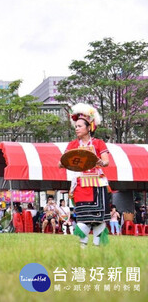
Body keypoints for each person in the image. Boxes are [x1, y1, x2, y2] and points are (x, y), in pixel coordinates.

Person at [58, 103, 110, 248]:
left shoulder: (99, 143)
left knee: (99, 218)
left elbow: (106, 161)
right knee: (83, 216)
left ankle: (97, 246)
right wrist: (62, 163)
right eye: (75, 126)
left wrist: (100, 161)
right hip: (80, 184)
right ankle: (83, 246)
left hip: (98, 184)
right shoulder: (73, 145)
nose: (77, 128)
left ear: (89, 128)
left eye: (80, 126)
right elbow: (62, 161)